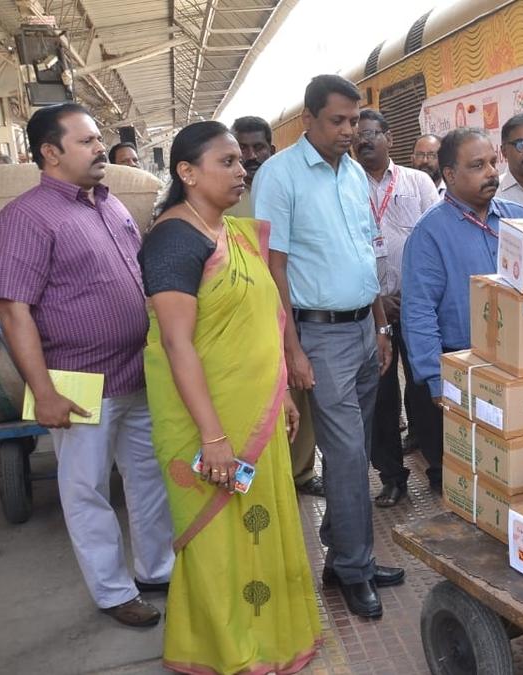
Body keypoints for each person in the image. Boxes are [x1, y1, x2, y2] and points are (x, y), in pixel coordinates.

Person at [139, 121, 321, 673]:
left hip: (255, 413)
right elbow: (176, 343)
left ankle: (269, 637)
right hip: (207, 423)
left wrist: (281, 392)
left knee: (261, 521)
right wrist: (214, 437)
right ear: (186, 173)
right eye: (227, 161)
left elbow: (264, 318)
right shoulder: (175, 239)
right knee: (218, 538)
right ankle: (226, 650)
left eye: (242, 161)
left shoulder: (234, 233)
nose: (242, 171)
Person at [0, 103, 174, 627]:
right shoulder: (26, 218)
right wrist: (43, 390)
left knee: (147, 480)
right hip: (75, 382)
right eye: (86, 141)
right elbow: (13, 309)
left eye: (99, 139)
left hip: (137, 373)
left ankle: (156, 569)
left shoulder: (111, 204)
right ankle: (113, 591)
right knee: (86, 490)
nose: (100, 148)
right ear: (49, 153)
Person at [254, 74, 405, 619]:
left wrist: (381, 328)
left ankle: (342, 552)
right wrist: (291, 349)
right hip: (318, 334)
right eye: (338, 121)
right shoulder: (279, 175)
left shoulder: (352, 175)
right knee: (344, 457)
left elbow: (367, 252)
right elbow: (275, 267)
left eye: (356, 121)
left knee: (355, 452)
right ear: (309, 120)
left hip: (363, 329)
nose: (350, 132)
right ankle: (355, 570)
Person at [401, 127, 523, 492]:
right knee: (458, 477)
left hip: (517, 365)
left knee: (507, 469)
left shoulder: (519, 219)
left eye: (493, 162)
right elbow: (419, 312)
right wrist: (435, 381)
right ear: (450, 175)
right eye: (478, 165)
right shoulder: (430, 232)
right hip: (461, 367)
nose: (492, 171)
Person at [231, 115, 322, 498]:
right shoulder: (228, 193)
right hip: (242, 313)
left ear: (272, 147)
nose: (251, 157)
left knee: (298, 389)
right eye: (243, 150)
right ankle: (259, 471)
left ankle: (299, 473)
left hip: (288, 305)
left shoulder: (285, 185)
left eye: (259, 148)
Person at [353, 109, 438, 507]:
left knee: (424, 390)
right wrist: (377, 302)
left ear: (389, 137)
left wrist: (417, 296)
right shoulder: (346, 184)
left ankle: (438, 468)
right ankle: (391, 476)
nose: (363, 140)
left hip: (417, 305)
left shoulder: (417, 181)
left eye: (371, 133)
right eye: (358, 134)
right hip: (372, 311)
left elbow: (430, 236)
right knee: (380, 397)